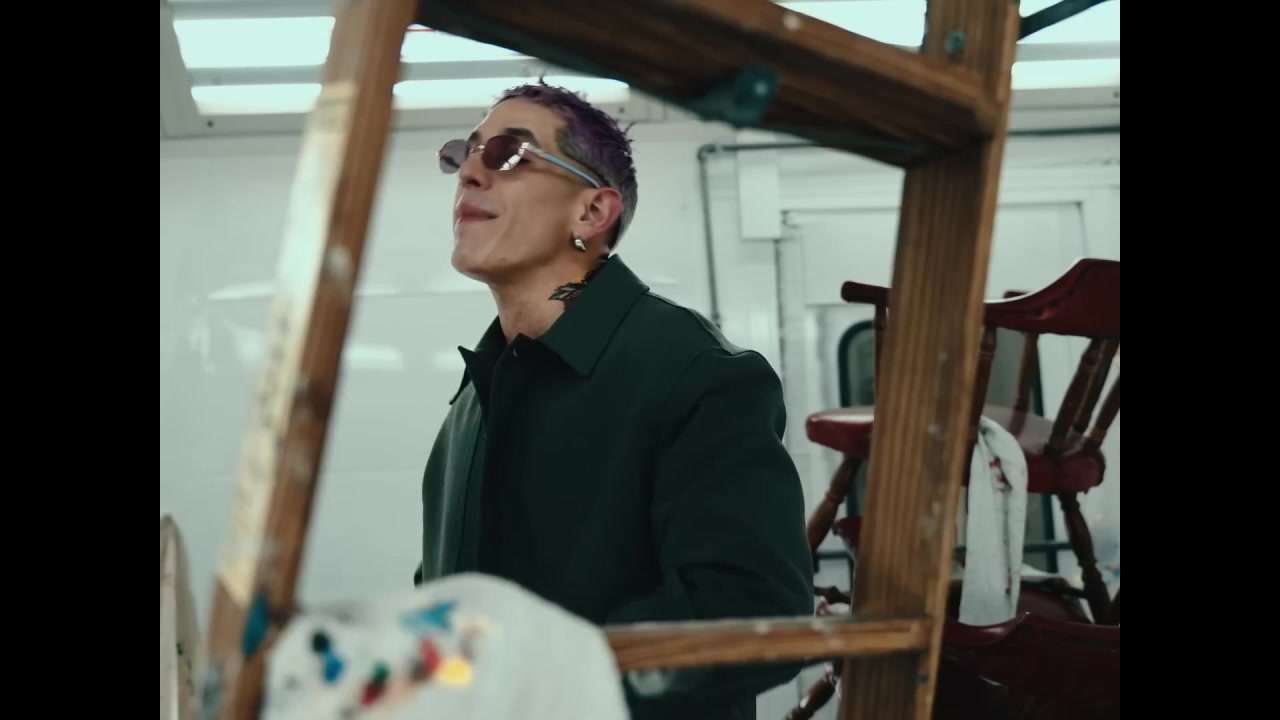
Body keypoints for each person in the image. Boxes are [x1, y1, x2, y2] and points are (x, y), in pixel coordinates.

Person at [414, 80, 813, 720]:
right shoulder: (474, 401)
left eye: (508, 154)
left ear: (592, 212)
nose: (468, 172)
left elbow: (756, 612)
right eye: (464, 153)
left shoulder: (695, 374)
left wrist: (547, 685)